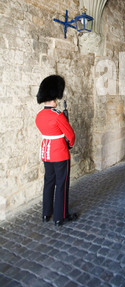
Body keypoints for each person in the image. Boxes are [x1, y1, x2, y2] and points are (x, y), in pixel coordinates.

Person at [35, 75, 78, 226]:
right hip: (59, 153)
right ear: (55, 96)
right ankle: (61, 216)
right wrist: (70, 144)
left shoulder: (39, 115)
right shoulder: (58, 115)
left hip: (46, 153)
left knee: (48, 182)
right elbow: (70, 135)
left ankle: (46, 214)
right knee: (62, 184)